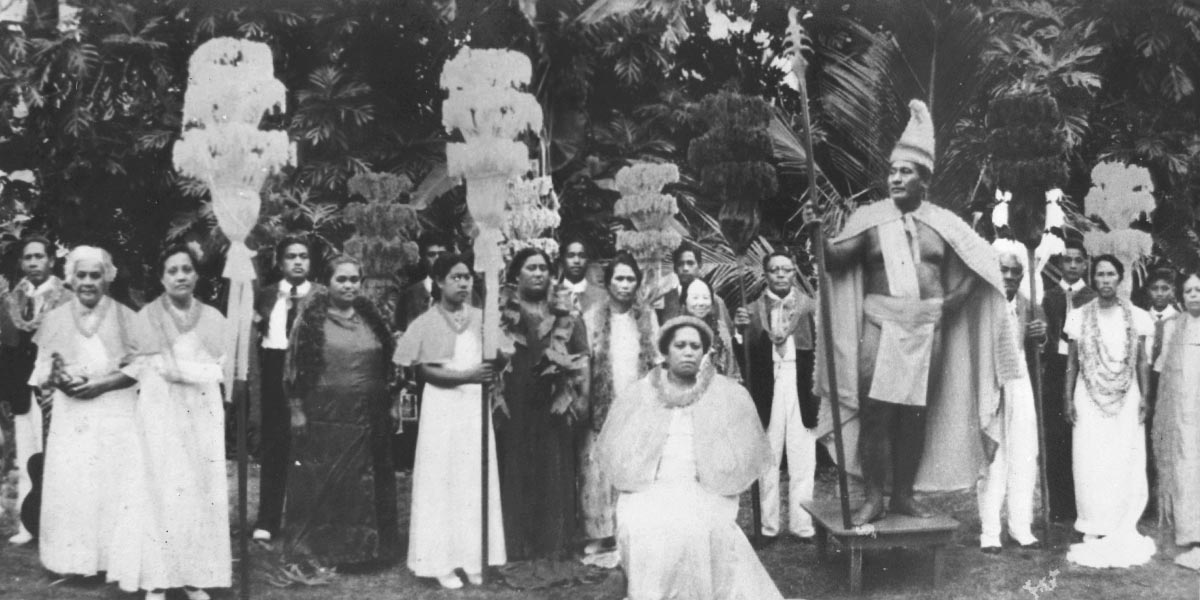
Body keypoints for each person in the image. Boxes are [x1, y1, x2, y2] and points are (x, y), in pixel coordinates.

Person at [818, 99, 1022, 526]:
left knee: (914, 417)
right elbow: (835, 260)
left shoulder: (944, 224)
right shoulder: (871, 220)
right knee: (877, 414)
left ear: (924, 179)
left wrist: (949, 305)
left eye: (905, 171)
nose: (895, 178)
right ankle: (874, 496)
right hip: (881, 325)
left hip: (930, 330)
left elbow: (982, 266)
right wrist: (818, 234)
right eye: (892, 171)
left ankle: (903, 497)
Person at [597, 316, 782, 600]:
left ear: (704, 352)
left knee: (697, 527)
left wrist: (713, 468)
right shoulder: (642, 392)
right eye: (680, 345)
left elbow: (739, 455)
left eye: (695, 346)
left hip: (703, 483)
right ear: (666, 351)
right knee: (642, 525)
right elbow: (625, 450)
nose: (687, 352)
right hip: (651, 484)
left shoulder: (726, 392)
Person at [109, 245, 230, 600]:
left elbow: (221, 368)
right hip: (161, 412)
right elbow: (146, 367)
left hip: (202, 412)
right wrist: (177, 372)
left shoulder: (214, 318)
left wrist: (186, 372)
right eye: (173, 270)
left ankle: (194, 576)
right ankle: (157, 579)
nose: (181, 276)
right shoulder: (146, 317)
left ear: (196, 275)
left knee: (199, 490)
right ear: (161, 278)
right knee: (160, 487)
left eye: (187, 269)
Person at [394, 254, 505, 588]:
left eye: (468, 277)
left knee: (472, 478)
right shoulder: (427, 321)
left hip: (474, 408)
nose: (463, 283)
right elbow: (424, 370)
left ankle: (472, 557)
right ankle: (440, 561)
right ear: (439, 281)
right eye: (456, 277)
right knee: (442, 478)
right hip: (443, 408)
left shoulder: (481, 317)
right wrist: (467, 375)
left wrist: (497, 343)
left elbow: (498, 358)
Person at [29, 245, 141, 577]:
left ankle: (109, 562)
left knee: (109, 481)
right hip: (72, 412)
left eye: (96, 274)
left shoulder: (126, 316)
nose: (88, 282)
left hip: (113, 410)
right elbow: (42, 368)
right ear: (70, 279)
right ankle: (71, 561)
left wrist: (102, 384)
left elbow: (141, 367)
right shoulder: (55, 318)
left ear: (107, 278)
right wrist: (60, 379)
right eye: (81, 275)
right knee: (73, 482)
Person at [282, 255, 399, 567]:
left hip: (370, 414)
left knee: (368, 481)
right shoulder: (310, 320)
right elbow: (293, 366)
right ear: (327, 283)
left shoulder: (372, 319)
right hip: (327, 416)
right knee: (329, 480)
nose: (349, 285)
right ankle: (325, 551)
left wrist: (392, 401)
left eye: (354, 280)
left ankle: (370, 550)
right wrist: (296, 408)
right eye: (341, 279)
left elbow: (388, 363)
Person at [497, 247, 589, 561]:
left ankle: (554, 544)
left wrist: (578, 397)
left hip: (553, 401)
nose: (538, 273)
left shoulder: (566, 312)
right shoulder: (501, 312)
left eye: (543, 268)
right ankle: (519, 545)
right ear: (516, 275)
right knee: (518, 467)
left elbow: (582, 354)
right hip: (516, 400)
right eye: (530, 267)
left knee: (554, 467)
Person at [1063, 255, 1156, 568]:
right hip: (1088, 394)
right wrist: (1067, 398)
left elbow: (1142, 360)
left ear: (1120, 278)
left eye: (1110, 275)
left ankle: (1119, 520)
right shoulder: (1078, 316)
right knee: (1090, 456)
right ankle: (1093, 522)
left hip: (1126, 394)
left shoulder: (1138, 315)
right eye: (1100, 275)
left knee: (1122, 456)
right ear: (1093, 279)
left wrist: (1145, 396)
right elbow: (1072, 362)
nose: (1105, 281)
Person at [734, 251, 818, 541]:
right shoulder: (753, 309)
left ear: (794, 272)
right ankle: (768, 527)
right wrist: (739, 332)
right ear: (765, 274)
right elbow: (742, 356)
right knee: (768, 459)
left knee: (802, 456)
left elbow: (821, 349)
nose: (781, 275)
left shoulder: (809, 307)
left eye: (786, 269)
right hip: (768, 386)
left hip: (800, 384)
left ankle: (802, 524)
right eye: (774, 270)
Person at [579, 252, 659, 557]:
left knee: (636, 467)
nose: (625, 285)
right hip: (603, 402)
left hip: (638, 402)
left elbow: (657, 362)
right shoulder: (592, 317)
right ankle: (601, 534)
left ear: (637, 282)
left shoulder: (647, 316)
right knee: (599, 470)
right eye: (619, 279)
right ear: (609, 282)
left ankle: (635, 530)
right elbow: (586, 362)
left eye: (630, 279)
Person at [0, 236, 71, 545]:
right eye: (27, 257)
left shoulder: (66, 298)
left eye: (39, 256)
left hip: (54, 388)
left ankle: (58, 527)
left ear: (51, 261)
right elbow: (8, 346)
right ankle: (28, 525)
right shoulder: (12, 298)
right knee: (27, 455)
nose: (32, 263)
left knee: (55, 455)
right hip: (21, 388)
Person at [252, 235, 321, 544]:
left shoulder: (322, 295)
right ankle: (267, 518)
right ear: (280, 262)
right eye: (291, 256)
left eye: (303, 256)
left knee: (308, 447)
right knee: (274, 446)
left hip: (309, 373)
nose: (297, 261)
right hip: (272, 368)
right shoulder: (265, 296)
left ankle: (305, 518)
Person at [976, 249, 1045, 553]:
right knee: (993, 458)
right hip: (991, 382)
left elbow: (1041, 347)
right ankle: (990, 531)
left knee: (1024, 452)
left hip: (1021, 382)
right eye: (1002, 270)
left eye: (1014, 272)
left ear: (1021, 276)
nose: (1008, 277)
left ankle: (1020, 526)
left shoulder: (1030, 307)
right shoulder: (981, 305)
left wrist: (1041, 335)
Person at [1041, 239, 1096, 523]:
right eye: (1067, 260)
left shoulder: (1092, 297)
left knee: (1082, 434)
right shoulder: (1049, 296)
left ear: (1086, 263)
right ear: (1060, 264)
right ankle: (1059, 505)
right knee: (1056, 436)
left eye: (1078, 260)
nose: (1073, 265)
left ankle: (1082, 503)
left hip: (1083, 369)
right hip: (1055, 367)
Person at [1153, 271, 1200, 567]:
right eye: (1188, 291)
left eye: (1199, 289)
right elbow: (1163, 371)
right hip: (1182, 412)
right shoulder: (1172, 327)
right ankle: (1189, 533)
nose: (1194, 295)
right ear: (1180, 297)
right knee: (1185, 469)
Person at [656, 244, 733, 335]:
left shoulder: (714, 301)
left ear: (699, 265)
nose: (685, 268)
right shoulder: (665, 299)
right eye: (680, 264)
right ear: (675, 268)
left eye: (690, 263)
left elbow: (726, 336)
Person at [680, 278, 740, 379]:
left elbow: (732, 368)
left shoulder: (722, 331)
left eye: (705, 297)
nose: (701, 303)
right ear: (684, 302)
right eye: (695, 298)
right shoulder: (674, 334)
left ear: (712, 302)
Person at [558, 237, 607, 316]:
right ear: (562, 260)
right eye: (571, 255)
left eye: (582, 256)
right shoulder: (552, 294)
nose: (577, 261)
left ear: (587, 260)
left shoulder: (602, 296)